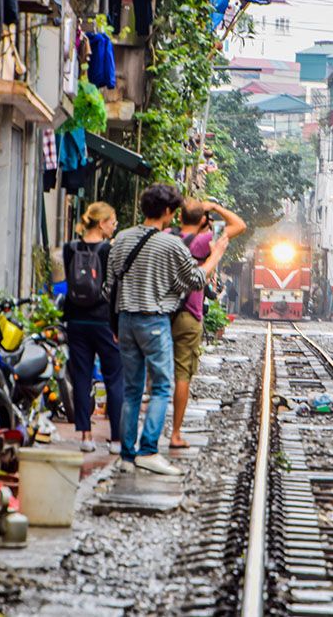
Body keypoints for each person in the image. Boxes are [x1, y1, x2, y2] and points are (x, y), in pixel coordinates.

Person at [105, 185, 229, 476]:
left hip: (124, 320)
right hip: (154, 321)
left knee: (133, 388)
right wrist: (216, 254)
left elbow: (108, 287)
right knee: (161, 386)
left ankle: (126, 455)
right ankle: (148, 450)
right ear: (168, 212)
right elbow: (196, 280)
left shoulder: (121, 239)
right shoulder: (170, 244)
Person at [169, 198, 245, 450]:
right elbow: (239, 226)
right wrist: (215, 207)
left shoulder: (167, 236)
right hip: (190, 312)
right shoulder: (204, 241)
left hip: (162, 311)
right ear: (203, 220)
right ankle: (176, 433)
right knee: (183, 374)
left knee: (154, 372)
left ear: (179, 218)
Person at [62, 202, 124, 454]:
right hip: (102, 320)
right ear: (101, 223)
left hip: (75, 319)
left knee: (81, 376)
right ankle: (117, 440)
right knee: (114, 378)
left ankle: (86, 436)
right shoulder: (108, 250)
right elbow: (115, 289)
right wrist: (117, 325)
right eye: (112, 222)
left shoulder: (69, 248)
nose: (114, 226)